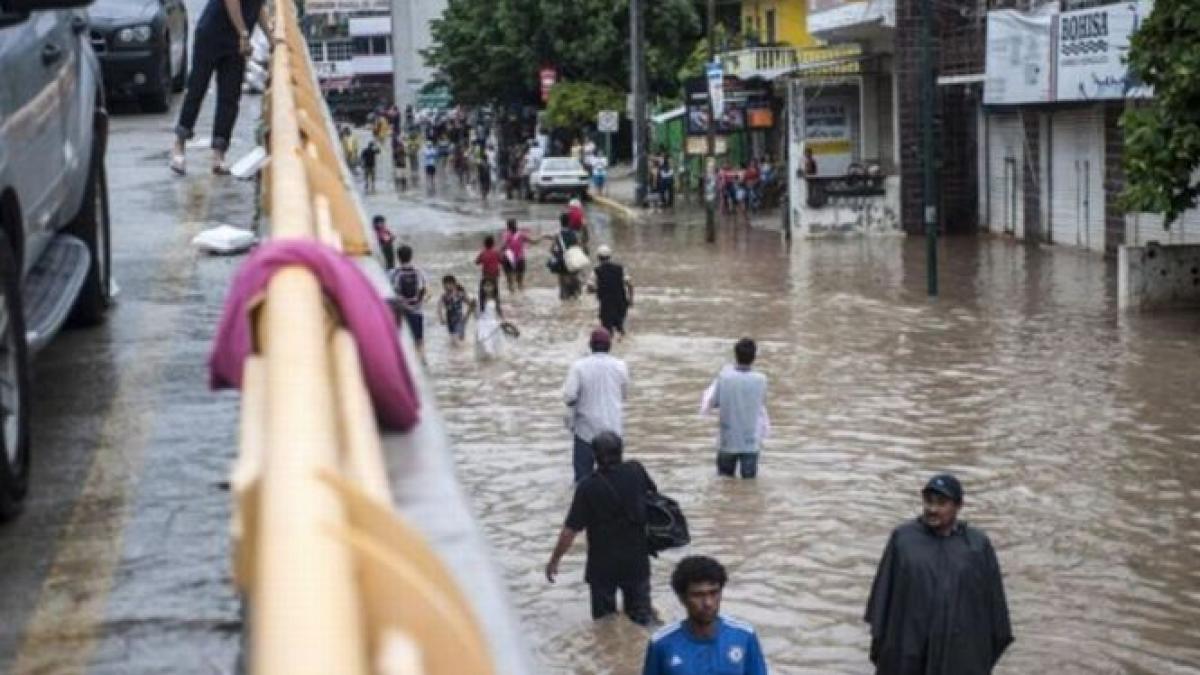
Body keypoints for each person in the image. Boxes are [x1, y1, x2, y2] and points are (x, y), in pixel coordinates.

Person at [865, 474, 1013, 675]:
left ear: (958, 506)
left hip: (958, 652)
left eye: (941, 503)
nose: (932, 509)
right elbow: (882, 599)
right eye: (929, 501)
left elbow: (994, 609)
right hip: (909, 647)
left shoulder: (976, 546)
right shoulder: (904, 540)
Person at [545, 431, 659, 626]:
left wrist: (554, 560)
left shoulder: (587, 487)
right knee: (643, 620)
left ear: (594, 456)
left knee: (604, 624)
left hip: (602, 567)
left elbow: (569, 531)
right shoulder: (636, 471)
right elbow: (653, 497)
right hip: (636, 561)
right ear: (621, 451)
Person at [169, 0, 270, 175]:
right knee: (197, 88)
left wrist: (271, 37)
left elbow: (258, 7)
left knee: (230, 96)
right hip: (213, 32)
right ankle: (179, 145)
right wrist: (243, 33)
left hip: (236, 41)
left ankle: (219, 154)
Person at [643, 556, 768, 675]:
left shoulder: (744, 636)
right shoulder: (661, 643)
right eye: (698, 595)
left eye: (714, 593)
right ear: (682, 598)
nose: (708, 603)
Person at [562, 328, 628, 482]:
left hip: (586, 431)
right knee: (614, 478)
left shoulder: (579, 366)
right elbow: (623, 394)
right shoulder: (621, 366)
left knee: (583, 478)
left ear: (590, 345)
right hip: (613, 430)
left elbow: (569, 396)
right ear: (609, 346)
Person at [711, 339, 768, 479]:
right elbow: (760, 404)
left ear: (735, 355)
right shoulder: (761, 379)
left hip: (728, 439)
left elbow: (714, 402)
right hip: (750, 441)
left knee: (724, 481)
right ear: (754, 357)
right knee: (749, 483)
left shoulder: (724, 377)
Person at [588, 245, 633, 338]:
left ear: (598, 257)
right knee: (620, 327)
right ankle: (623, 342)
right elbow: (629, 284)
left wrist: (599, 289)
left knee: (607, 330)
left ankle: (610, 344)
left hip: (606, 304)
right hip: (621, 303)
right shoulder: (620, 268)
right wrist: (631, 299)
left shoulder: (596, 271)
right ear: (610, 256)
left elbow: (590, 288)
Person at [389, 245, 428, 352]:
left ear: (398, 257)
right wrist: (418, 304)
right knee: (419, 342)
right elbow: (424, 290)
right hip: (416, 311)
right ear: (411, 256)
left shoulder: (393, 273)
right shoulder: (419, 272)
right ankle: (422, 360)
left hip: (400, 313)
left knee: (400, 342)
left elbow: (391, 293)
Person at [500, 218, 536, 293]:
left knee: (510, 283)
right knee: (520, 283)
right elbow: (533, 242)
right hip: (519, 259)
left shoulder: (506, 235)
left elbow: (503, 246)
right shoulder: (521, 234)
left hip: (508, 259)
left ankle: (513, 296)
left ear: (508, 227)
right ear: (516, 225)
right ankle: (520, 296)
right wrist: (544, 237)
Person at [437, 275, 474, 344]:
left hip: (459, 320)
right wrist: (441, 318)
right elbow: (439, 308)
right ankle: (462, 350)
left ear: (454, 284)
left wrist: (467, 316)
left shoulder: (460, 294)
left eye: (449, 284)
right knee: (454, 341)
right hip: (450, 322)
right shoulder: (444, 296)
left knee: (459, 340)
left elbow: (471, 304)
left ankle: (464, 349)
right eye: (444, 284)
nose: (446, 286)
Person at [475, 277, 506, 359]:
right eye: (485, 286)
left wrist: (504, 322)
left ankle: (491, 365)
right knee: (486, 348)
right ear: (482, 287)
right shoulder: (479, 300)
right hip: (482, 326)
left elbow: (500, 312)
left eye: (490, 286)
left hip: (493, 325)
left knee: (494, 349)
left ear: (494, 287)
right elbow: (476, 315)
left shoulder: (496, 300)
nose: (487, 288)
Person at [474, 235, 503, 306]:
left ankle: (482, 305)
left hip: (486, 275)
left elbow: (476, 262)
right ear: (493, 244)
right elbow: (502, 261)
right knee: (496, 290)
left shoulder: (483, 253)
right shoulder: (496, 252)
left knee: (482, 291)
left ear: (484, 244)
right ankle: (497, 306)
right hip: (495, 275)